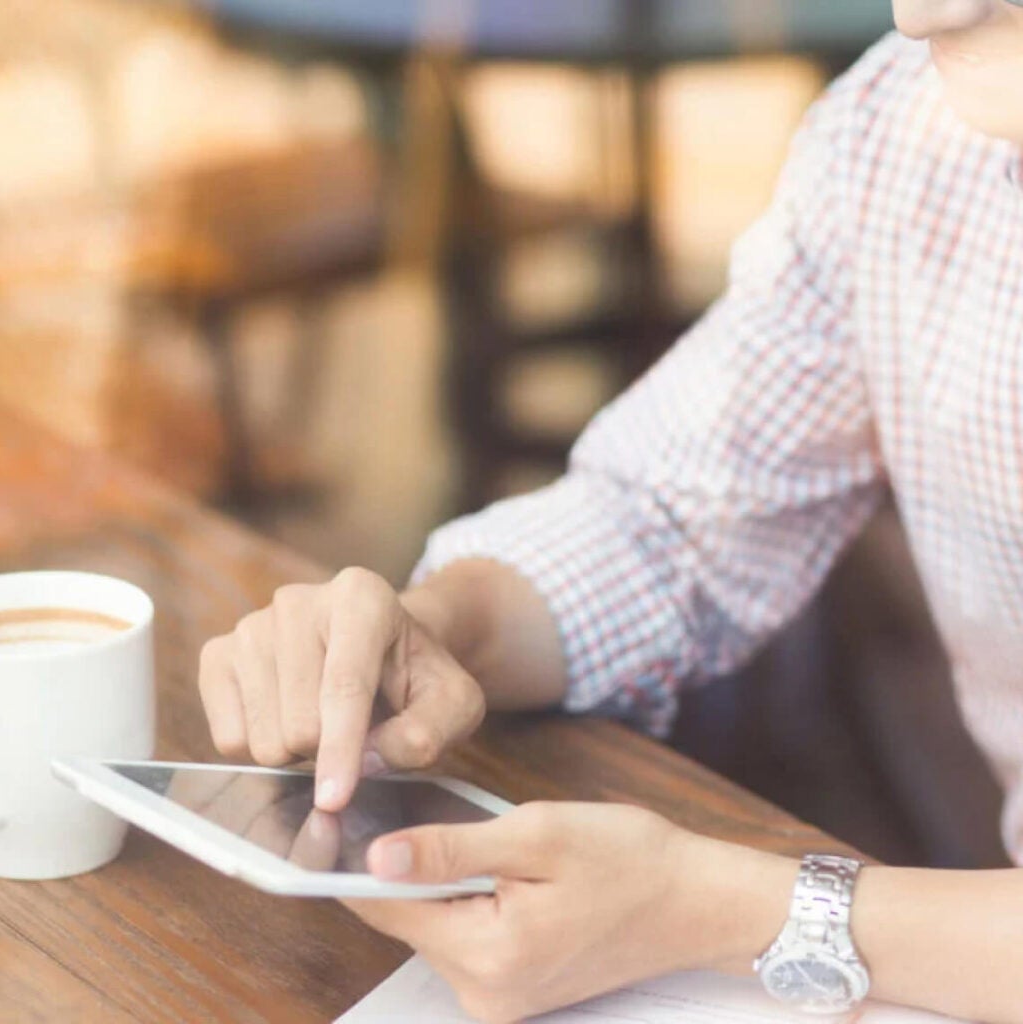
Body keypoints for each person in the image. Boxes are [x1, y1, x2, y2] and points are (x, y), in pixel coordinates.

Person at [198, 1, 1023, 1020]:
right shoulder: (897, 134)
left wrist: (723, 909)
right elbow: (669, 516)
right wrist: (439, 626)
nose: (919, 9)